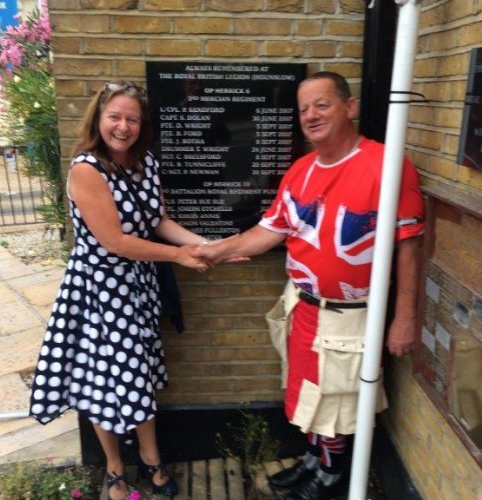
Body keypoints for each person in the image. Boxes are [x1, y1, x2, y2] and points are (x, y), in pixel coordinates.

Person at [193, 71, 425, 500]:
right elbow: (268, 231)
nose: (311, 116)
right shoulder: (300, 170)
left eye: (322, 104)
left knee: (335, 401)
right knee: (309, 395)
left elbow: (409, 248)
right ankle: (315, 460)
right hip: (301, 306)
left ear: (349, 107)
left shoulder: (387, 166)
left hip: (349, 314)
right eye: (304, 109)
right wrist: (213, 250)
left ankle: (333, 475)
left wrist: (406, 316)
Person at [29, 81, 211, 500]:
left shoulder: (145, 162)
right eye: (115, 116)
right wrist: (178, 256)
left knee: (138, 374)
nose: (123, 126)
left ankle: (150, 458)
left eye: (132, 118)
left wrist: (205, 246)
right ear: (98, 118)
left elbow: (158, 220)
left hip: (138, 287)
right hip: (99, 292)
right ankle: (114, 466)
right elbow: (115, 241)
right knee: (102, 379)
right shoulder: (85, 169)